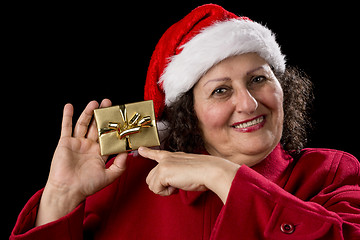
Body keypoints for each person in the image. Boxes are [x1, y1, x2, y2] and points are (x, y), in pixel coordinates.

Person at [11, 4, 360, 239]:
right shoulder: (123, 180)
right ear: (188, 113)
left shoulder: (331, 173)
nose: (249, 103)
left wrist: (222, 175)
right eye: (221, 90)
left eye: (258, 79)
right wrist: (61, 196)